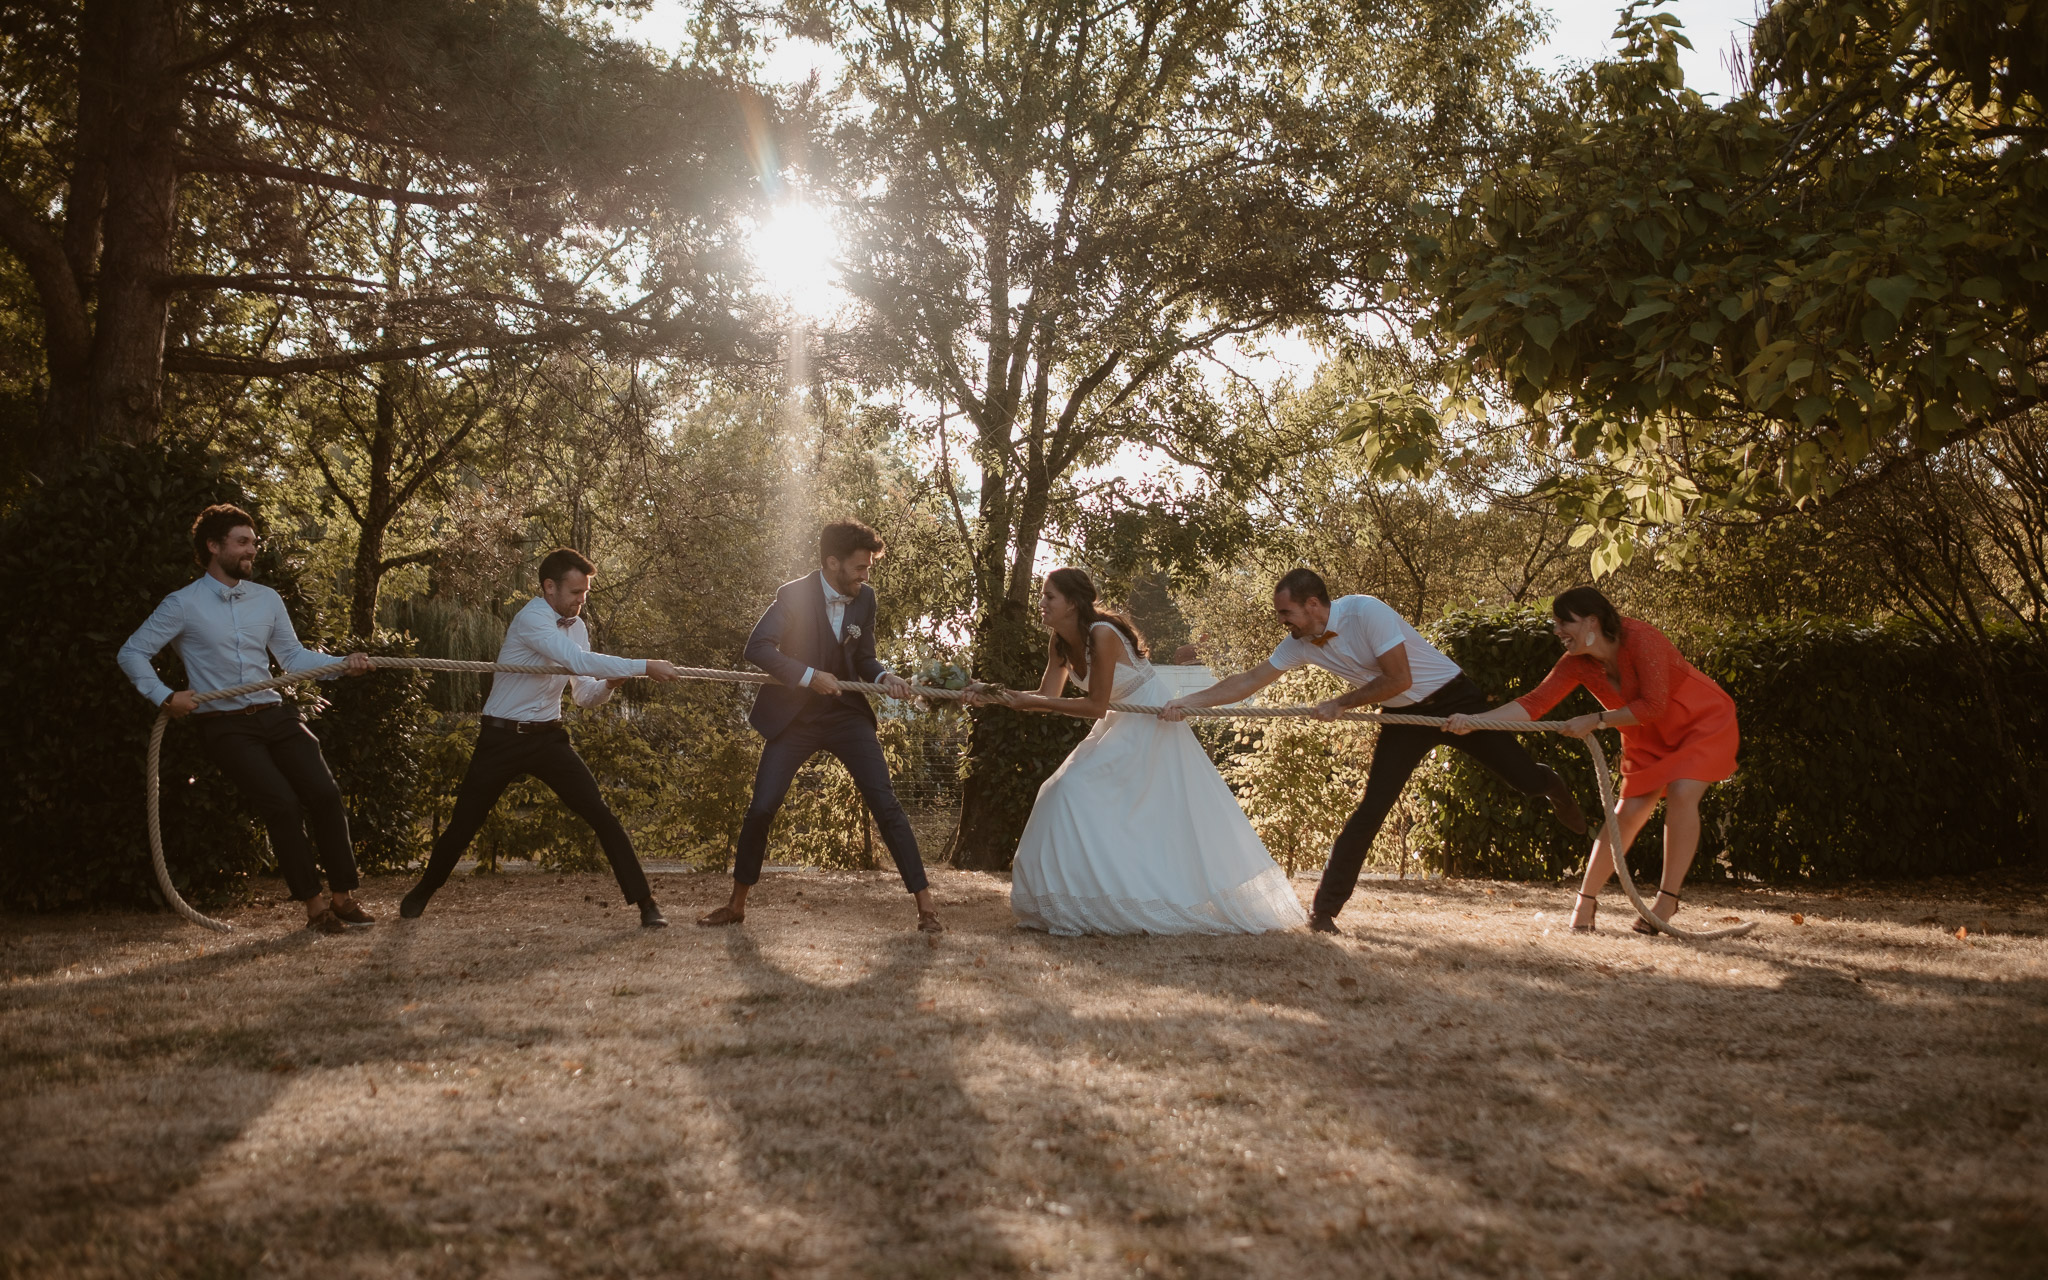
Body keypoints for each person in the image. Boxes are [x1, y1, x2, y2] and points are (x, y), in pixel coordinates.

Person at [1161, 568, 1587, 934]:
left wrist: (1340, 703)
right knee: (1372, 809)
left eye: (1285, 612)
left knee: (1525, 781)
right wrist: (1186, 703)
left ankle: (1551, 783)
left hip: (1454, 699)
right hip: (1402, 718)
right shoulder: (1300, 643)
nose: (1282, 622)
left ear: (1312, 604)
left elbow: (1399, 677)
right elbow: (1246, 682)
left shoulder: (1366, 611)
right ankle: (1324, 912)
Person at [990, 568, 1307, 935]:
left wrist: (1027, 703)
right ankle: (1076, 898)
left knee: (1075, 792)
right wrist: (999, 694)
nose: (1041, 603)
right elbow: (1048, 697)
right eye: (1043, 596)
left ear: (1072, 604)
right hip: (1118, 721)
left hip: (1148, 718)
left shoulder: (1102, 635)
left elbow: (1095, 705)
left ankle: (1118, 899)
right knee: (1057, 793)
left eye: (1049, 597)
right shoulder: (1059, 643)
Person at [119, 504, 376, 934]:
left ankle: (343, 898)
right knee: (282, 804)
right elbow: (132, 652)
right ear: (213, 546)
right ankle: (316, 910)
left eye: (254, 543)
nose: (251, 550)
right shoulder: (182, 604)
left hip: (274, 712)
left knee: (326, 795)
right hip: (226, 725)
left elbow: (292, 658)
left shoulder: (267, 599)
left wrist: (341, 664)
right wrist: (165, 696)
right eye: (242, 542)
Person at [398, 548, 685, 926]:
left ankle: (647, 904)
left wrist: (611, 684)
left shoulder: (577, 626)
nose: (582, 600)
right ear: (549, 587)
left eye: (585, 592)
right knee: (464, 823)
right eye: (575, 592)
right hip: (500, 737)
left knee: (601, 814)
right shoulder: (531, 618)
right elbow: (578, 661)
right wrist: (644, 666)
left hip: (548, 738)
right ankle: (423, 892)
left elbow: (584, 695)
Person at [1447, 586, 1739, 934]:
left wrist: (1597, 719)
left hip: (1697, 719)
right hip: (1643, 733)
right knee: (1626, 815)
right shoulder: (1576, 664)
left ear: (1591, 621)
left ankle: (1666, 901)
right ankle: (1584, 903)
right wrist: (1477, 723)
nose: (1556, 631)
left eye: (1562, 622)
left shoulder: (1641, 638)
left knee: (1681, 793)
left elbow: (1656, 704)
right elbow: (1534, 704)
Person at [698, 521, 942, 933]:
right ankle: (736, 905)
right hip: (796, 718)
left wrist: (884, 679)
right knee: (761, 808)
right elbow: (757, 647)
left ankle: (927, 910)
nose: (866, 576)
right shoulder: (793, 595)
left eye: (869, 569)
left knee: (887, 805)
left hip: (847, 716)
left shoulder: (865, 600)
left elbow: (864, 658)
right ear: (832, 562)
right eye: (860, 567)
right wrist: (810, 675)